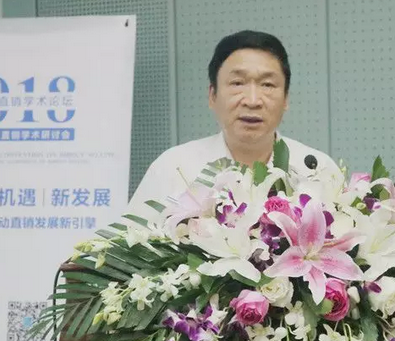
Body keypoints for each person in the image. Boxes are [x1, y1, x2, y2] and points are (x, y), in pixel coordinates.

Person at [126, 30, 341, 219]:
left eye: (267, 85)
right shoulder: (174, 167)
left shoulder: (317, 169)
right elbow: (123, 246)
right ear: (212, 95)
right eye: (237, 83)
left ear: (286, 98)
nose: (253, 100)